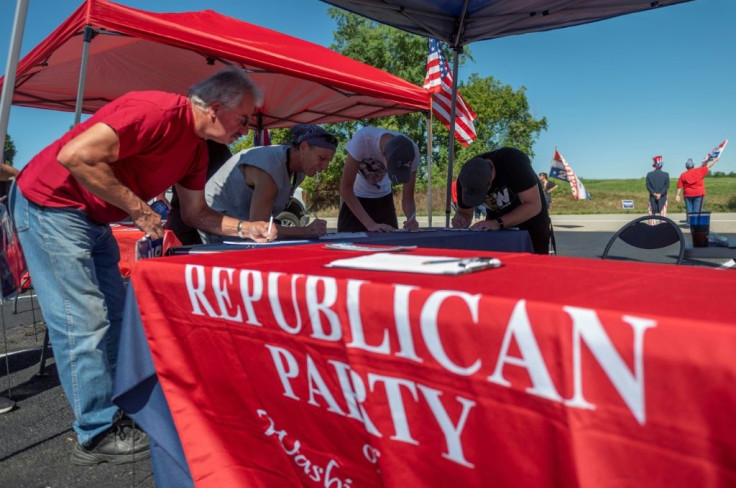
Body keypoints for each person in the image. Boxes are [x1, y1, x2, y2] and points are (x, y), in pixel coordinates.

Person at [8, 66, 276, 465]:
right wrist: (138, 209)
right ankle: (95, 433)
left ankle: (121, 410)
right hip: (51, 205)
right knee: (83, 321)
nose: (245, 129)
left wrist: (247, 227)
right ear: (216, 108)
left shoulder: (196, 150)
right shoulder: (155, 111)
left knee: (116, 316)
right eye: (243, 119)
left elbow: (198, 213)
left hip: (94, 217)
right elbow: (74, 155)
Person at [201, 124, 336, 243]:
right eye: (322, 158)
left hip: (239, 220)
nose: (325, 166)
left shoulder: (299, 172)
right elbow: (260, 227)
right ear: (303, 147)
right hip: (216, 219)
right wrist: (306, 231)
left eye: (328, 161)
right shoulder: (270, 169)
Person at [451, 148, 552, 255]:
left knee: (534, 267)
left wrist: (497, 223)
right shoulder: (467, 176)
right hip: (496, 231)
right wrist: (461, 219)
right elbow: (465, 212)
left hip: (532, 226)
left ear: (491, 179)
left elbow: (533, 205)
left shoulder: (514, 162)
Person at [338, 126, 419, 232]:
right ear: (383, 155)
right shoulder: (363, 139)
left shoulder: (412, 150)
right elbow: (345, 189)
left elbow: (408, 198)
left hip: (384, 200)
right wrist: (370, 224)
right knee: (347, 244)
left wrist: (411, 218)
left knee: (391, 243)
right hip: (356, 199)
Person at [165, 140, 233, 244]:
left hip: (211, 215)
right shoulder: (189, 146)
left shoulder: (218, 149)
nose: (244, 131)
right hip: (187, 212)